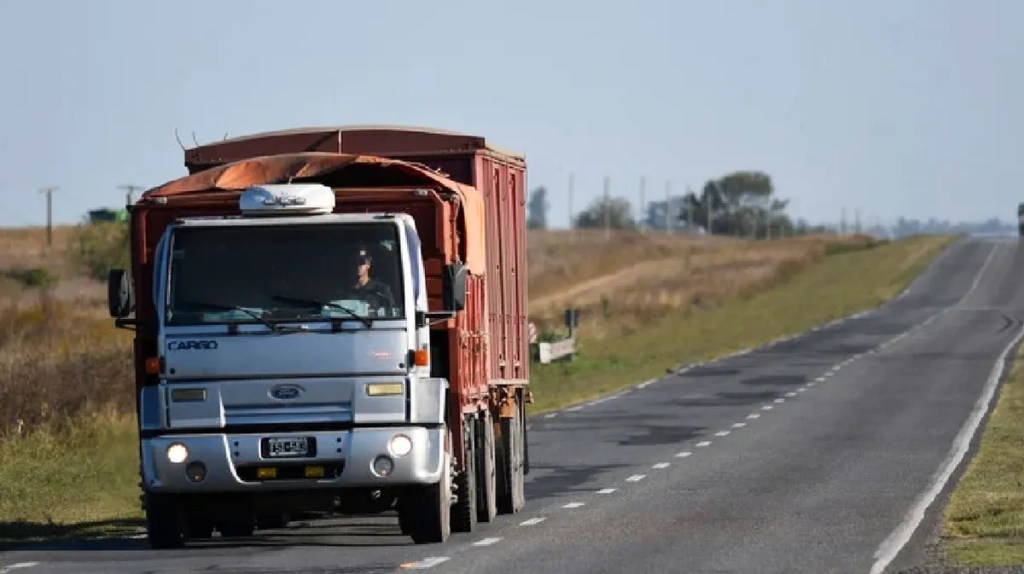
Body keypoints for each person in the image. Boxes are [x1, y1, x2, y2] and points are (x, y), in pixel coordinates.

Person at [341, 245, 396, 314]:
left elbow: (391, 314)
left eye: (361, 262)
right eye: (354, 262)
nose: (358, 265)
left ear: (368, 264)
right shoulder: (343, 292)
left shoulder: (382, 290)